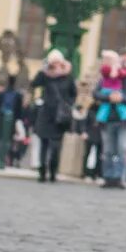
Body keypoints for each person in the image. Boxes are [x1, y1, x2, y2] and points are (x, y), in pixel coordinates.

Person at [91, 50, 126, 187]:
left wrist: (123, 98)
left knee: (122, 149)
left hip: (124, 120)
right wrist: (108, 97)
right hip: (108, 118)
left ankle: (119, 177)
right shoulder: (106, 76)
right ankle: (108, 177)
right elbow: (96, 93)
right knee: (108, 150)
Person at [30, 48, 76, 183]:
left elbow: (73, 93)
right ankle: (42, 170)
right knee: (43, 144)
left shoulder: (68, 76)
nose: (55, 65)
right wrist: (44, 69)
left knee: (55, 146)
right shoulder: (45, 75)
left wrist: (67, 104)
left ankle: (53, 171)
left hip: (60, 116)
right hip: (46, 113)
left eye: (57, 62)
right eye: (53, 62)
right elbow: (34, 83)